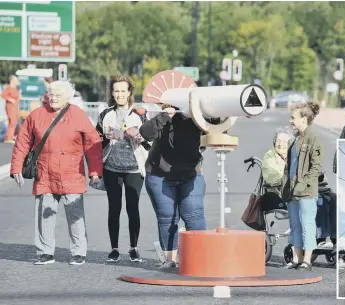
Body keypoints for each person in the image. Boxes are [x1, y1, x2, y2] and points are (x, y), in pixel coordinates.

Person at [9, 80, 102, 265]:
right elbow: (23, 142)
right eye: (51, 94)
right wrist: (16, 167)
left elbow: (92, 144)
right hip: (45, 172)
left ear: (67, 97)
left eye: (58, 95)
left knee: (75, 215)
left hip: (72, 172)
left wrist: (95, 171)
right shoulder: (37, 115)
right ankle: (45, 252)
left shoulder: (78, 115)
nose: (53, 98)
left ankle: (78, 252)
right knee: (45, 214)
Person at [139, 103, 215, 268]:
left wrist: (212, 114)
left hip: (190, 174)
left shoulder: (198, 117)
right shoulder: (166, 115)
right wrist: (164, 116)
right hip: (159, 174)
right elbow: (145, 132)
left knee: (194, 215)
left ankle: (199, 260)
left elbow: (217, 130)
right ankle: (170, 261)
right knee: (167, 218)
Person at [96, 76, 150, 263]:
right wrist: (106, 137)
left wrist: (138, 137)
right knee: (114, 208)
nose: (119, 94)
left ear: (129, 93)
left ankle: (134, 248)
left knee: (132, 208)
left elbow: (150, 142)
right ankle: (114, 249)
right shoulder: (105, 114)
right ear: (112, 93)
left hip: (134, 168)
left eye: (123, 91)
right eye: (116, 91)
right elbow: (97, 142)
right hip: (112, 167)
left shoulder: (140, 114)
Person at [282, 101, 323, 271]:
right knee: (295, 225)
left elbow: (316, 167)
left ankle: (307, 260)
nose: (290, 121)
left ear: (304, 119)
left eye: (293, 118)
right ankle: (296, 258)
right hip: (292, 192)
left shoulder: (313, 139)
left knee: (307, 225)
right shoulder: (294, 140)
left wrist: (304, 183)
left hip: (306, 192)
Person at [261, 126, 298, 267]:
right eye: (278, 140)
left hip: (294, 192)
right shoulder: (269, 156)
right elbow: (272, 177)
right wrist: (290, 176)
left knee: (328, 198)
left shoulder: (293, 155)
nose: (281, 143)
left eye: (284, 140)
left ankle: (327, 238)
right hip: (278, 195)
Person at [1, 75, 21, 144]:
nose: (17, 81)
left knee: (14, 122)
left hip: (15, 107)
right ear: (12, 81)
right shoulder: (8, 88)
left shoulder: (15, 88)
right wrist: (11, 99)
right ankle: (8, 138)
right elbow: (3, 95)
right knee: (12, 122)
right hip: (10, 107)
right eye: (15, 80)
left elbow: (18, 97)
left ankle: (10, 137)